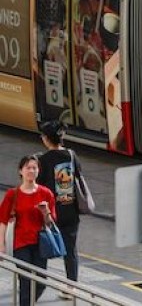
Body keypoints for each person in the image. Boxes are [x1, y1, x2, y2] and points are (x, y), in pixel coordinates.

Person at [1, 154, 59, 306]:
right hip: (21, 243)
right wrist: (1, 244)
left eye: (34, 168)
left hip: (40, 243)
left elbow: (50, 223)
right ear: (21, 171)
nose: (31, 171)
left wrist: (45, 212)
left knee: (41, 281)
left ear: (39, 171)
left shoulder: (46, 193)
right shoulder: (12, 194)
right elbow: (3, 221)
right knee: (25, 281)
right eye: (28, 168)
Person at [37, 120, 85, 291]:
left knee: (41, 247)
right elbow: (78, 175)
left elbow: (38, 186)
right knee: (70, 250)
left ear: (46, 139)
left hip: (51, 212)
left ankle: (38, 282)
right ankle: (71, 286)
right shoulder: (71, 155)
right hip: (71, 210)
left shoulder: (43, 160)